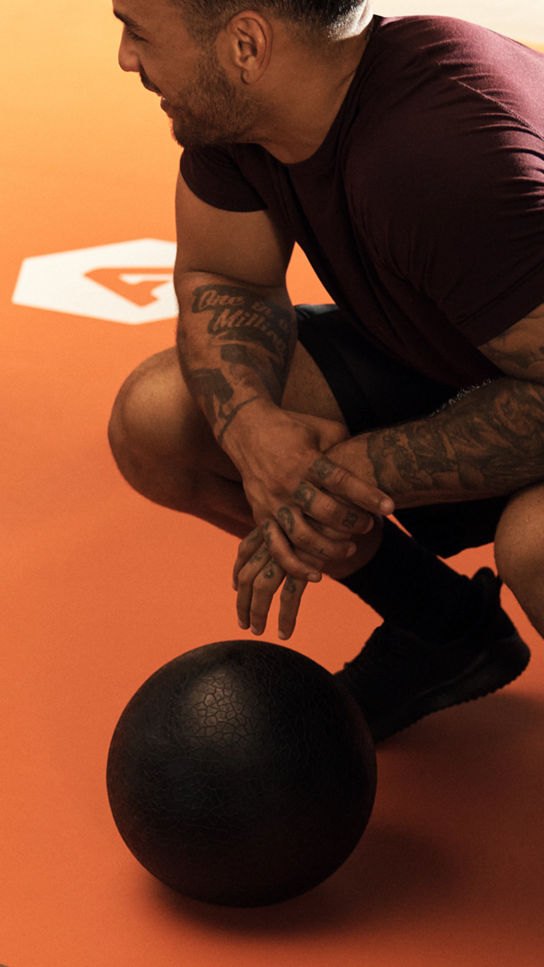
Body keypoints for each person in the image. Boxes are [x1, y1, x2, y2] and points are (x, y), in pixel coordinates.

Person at [108, 0, 544, 741]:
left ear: (246, 44)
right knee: (161, 417)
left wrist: (342, 472)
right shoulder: (240, 115)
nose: (124, 57)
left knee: (536, 545)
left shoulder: (441, 154)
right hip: (469, 354)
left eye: (138, 31)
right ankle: (445, 632)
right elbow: (224, 277)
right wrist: (254, 433)